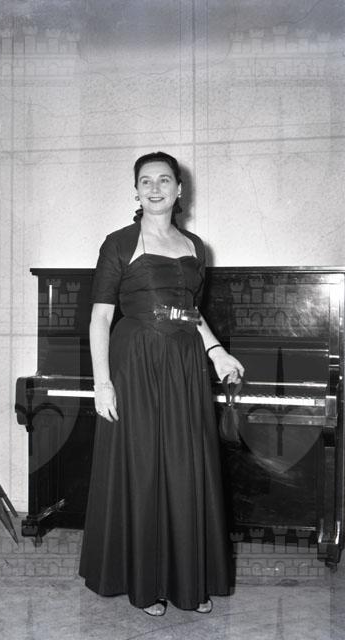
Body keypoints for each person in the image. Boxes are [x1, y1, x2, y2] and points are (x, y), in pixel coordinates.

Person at [79, 151, 244, 616]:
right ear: (136, 191)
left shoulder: (195, 247)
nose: (155, 188)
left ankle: (188, 581)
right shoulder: (118, 243)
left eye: (164, 180)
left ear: (179, 189)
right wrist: (102, 383)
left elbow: (190, 313)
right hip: (135, 364)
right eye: (146, 181)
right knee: (144, 468)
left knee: (186, 466)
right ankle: (146, 584)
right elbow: (100, 317)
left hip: (184, 366)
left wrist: (217, 352)